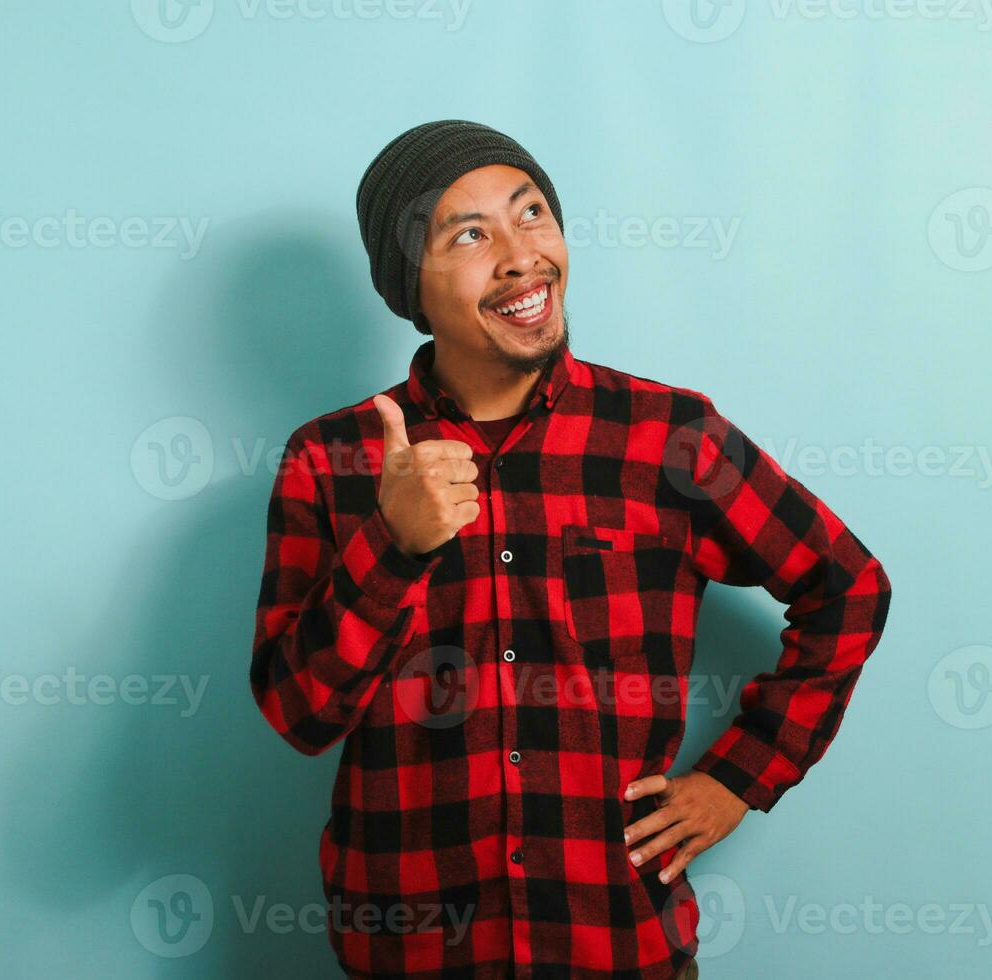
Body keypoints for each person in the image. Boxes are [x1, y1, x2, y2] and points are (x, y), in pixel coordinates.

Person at [250, 119, 893, 980]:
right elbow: (299, 715)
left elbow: (850, 587)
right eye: (469, 234)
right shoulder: (329, 461)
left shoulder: (672, 436)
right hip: (410, 951)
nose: (521, 257)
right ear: (410, 283)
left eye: (533, 214)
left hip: (617, 946)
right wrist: (394, 546)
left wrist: (740, 777)